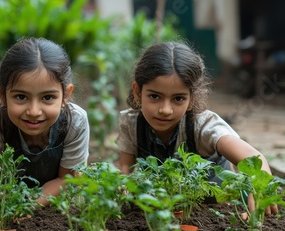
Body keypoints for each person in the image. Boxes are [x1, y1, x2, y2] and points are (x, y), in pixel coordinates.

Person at [115, 41, 278, 215]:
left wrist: (261, 186)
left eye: (178, 99)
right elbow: (127, 171)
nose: (165, 110)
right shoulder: (131, 124)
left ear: (191, 99)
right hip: (166, 210)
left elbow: (254, 158)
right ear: (137, 92)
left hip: (214, 210)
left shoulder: (203, 126)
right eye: (154, 96)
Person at [0, 37, 90, 208]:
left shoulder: (75, 121)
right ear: (3, 94)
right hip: (13, 199)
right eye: (21, 97)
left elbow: (67, 178)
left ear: (66, 95)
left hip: (60, 203)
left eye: (48, 97)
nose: (34, 112)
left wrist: (27, 206)